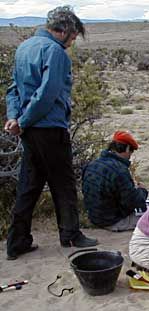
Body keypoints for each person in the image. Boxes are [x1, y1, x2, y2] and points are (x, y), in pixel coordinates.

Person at [4, 6, 97, 260]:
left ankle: (17, 241)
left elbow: (13, 88)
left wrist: (14, 117)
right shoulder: (55, 52)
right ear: (64, 31)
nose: (73, 42)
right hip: (49, 128)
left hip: (31, 131)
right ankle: (71, 235)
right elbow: (48, 93)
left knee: (29, 185)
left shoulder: (25, 47)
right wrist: (22, 120)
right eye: (74, 36)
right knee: (64, 183)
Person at [82, 131, 148, 231]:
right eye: (131, 151)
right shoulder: (120, 170)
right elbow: (133, 202)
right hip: (113, 221)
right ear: (126, 148)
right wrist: (142, 191)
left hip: (94, 217)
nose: (130, 155)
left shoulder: (92, 164)